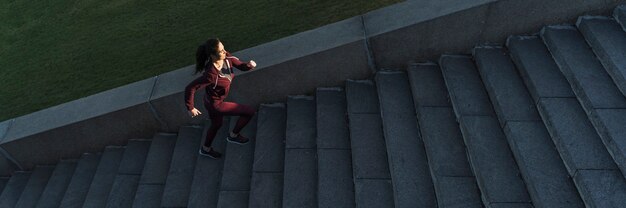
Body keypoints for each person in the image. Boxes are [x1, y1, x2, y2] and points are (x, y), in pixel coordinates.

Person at [184, 38, 257, 158]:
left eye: (223, 49)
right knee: (249, 112)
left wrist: (248, 65)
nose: (225, 52)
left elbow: (240, 65)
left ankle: (205, 149)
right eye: (221, 51)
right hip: (216, 105)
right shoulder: (211, 75)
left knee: (216, 125)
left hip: (211, 100)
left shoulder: (227, 58)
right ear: (212, 55)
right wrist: (190, 108)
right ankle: (233, 136)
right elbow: (190, 88)